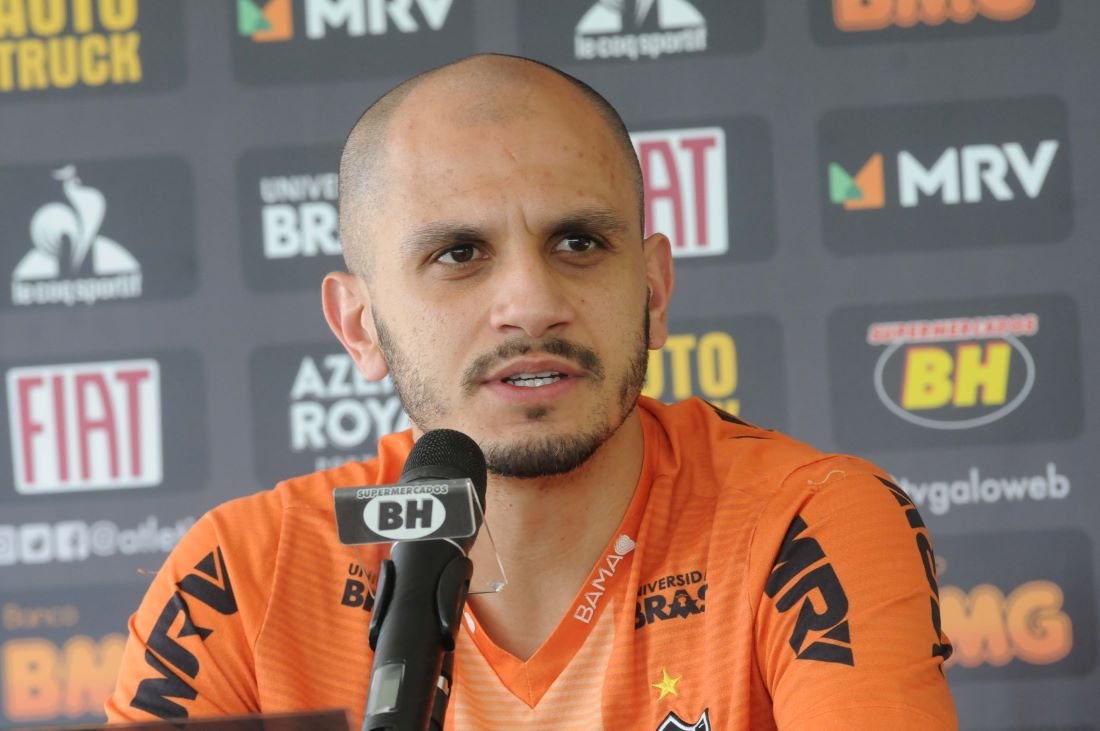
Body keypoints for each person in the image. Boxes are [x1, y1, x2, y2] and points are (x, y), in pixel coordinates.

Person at [106, 54, 957, 730]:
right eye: (458, 254)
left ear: (655, 293)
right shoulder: (244, 574)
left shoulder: (801, 525)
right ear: (359, 325)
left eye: (579, 241)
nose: (533, 304)